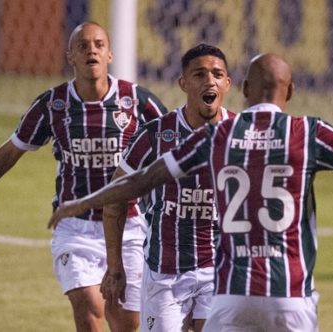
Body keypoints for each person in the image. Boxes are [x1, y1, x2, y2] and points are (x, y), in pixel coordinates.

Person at [47, 53, 333, 331]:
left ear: (243, 88)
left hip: (229, 295)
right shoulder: (308, 133)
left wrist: (81, 202)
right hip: (290, 295)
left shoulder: (216, 136)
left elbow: (140, 181)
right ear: (289, 90)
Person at [0, 22, 168, 332]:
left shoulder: (137, 101)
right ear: (70, 56)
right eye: (83, 46)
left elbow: (176, 146)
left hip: (130, 225)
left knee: (126, 323)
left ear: (110, 53)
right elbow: (10, 152)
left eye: (99, 44)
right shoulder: (52, 105)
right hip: (75, 226)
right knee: (89, 306)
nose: (92, 51)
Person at [99, 43, 234, 332]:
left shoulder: (242, 134)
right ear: (183, 83)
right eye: (199, 74)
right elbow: (114, 198)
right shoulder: (155, 135)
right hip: (165, 273)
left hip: (221, 271)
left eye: (217, 74)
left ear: (227, 83)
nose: (209, 81)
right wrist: (114, 267)